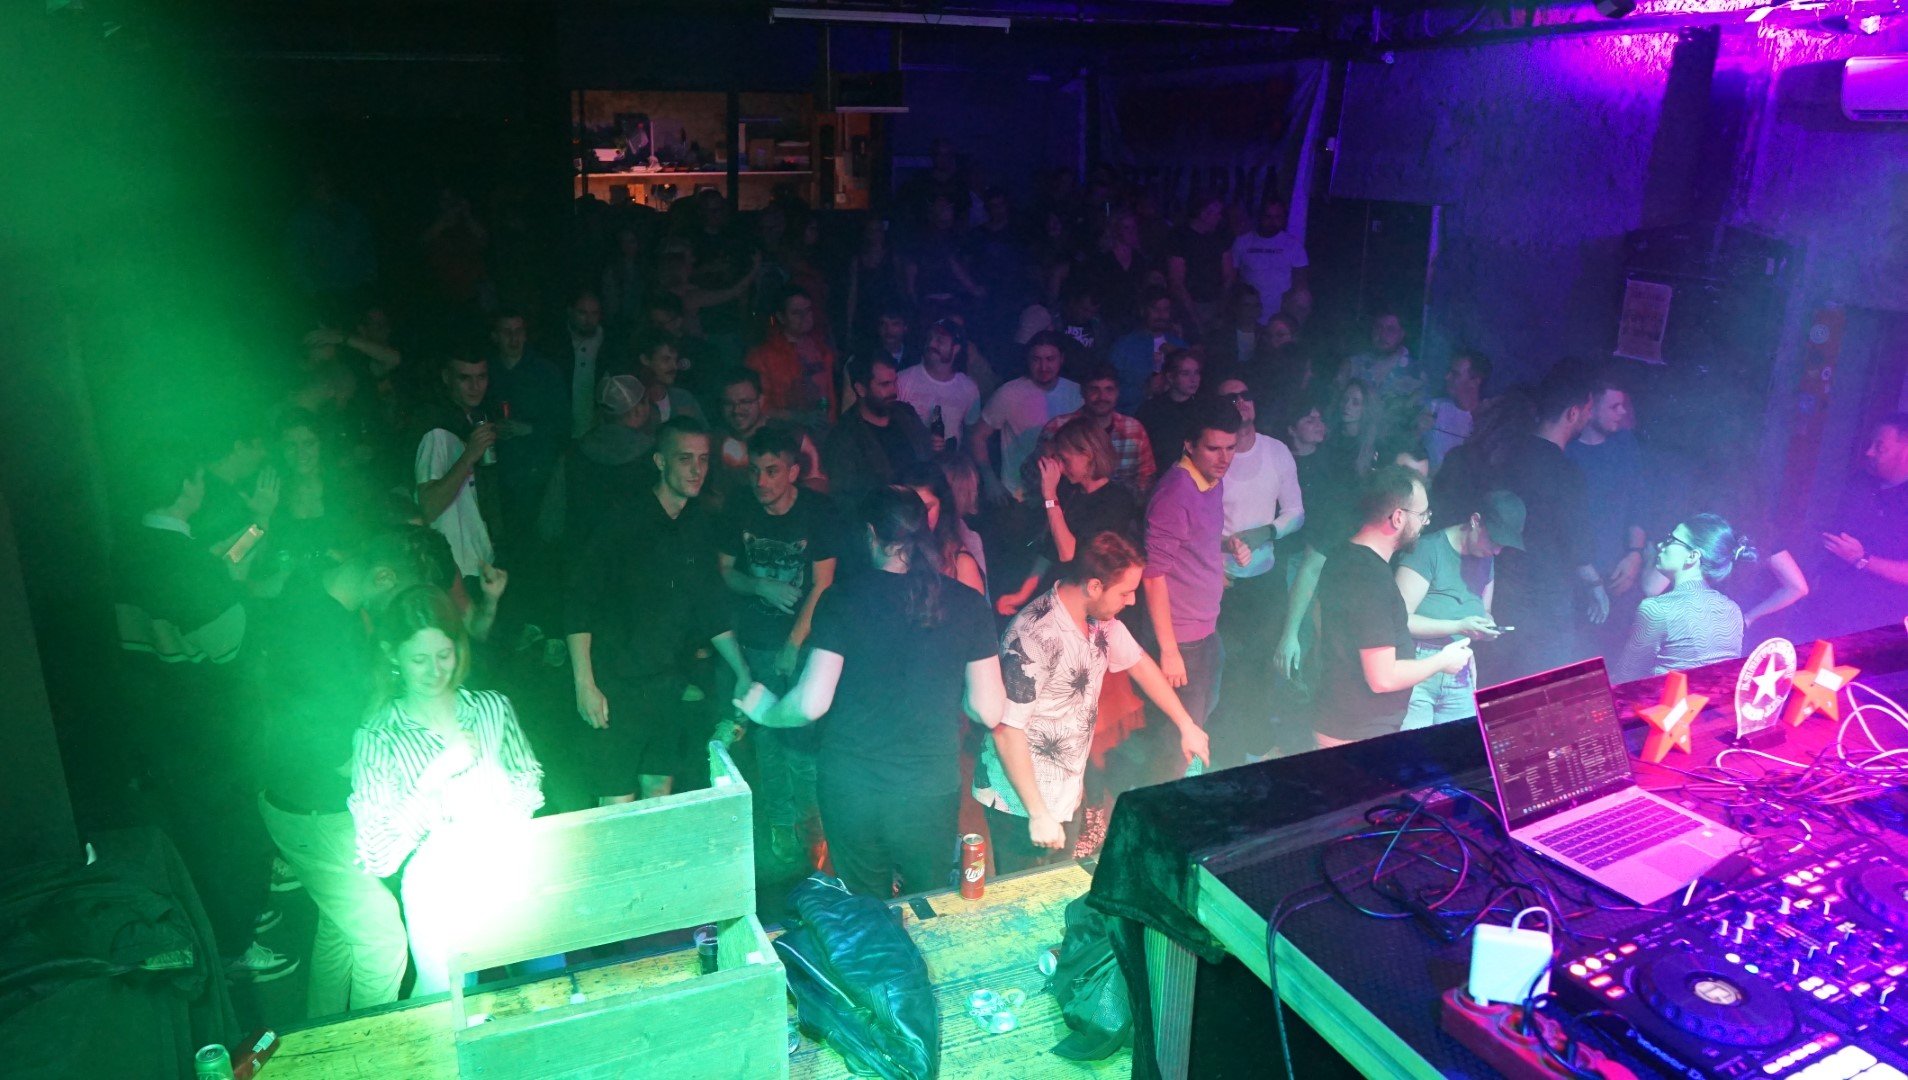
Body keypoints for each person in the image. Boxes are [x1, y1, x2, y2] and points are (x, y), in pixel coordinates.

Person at [754, 488, 1002, 898]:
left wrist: (767, 711)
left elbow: (811, 703)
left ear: (870, 534)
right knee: (927, 904)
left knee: (866, 909)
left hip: (852, 787)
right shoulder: (968, 603)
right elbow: (988, 710)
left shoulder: (842, 598)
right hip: (927, 789)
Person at [254, 528, 450, 1016]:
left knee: (340, 929)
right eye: (401, 598)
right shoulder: (324, 633)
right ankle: (368, 1049)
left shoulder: (312, 597)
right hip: (313, 812)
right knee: (382, 940)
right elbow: (335, 750)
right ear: (383, 577)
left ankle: (321, 1030)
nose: (400, 614)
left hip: (299, 801)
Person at [113, 444, 290, 982]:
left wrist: (257, 525)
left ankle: (233, 917)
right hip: (210, 728)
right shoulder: (183, 561)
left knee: (200, 835)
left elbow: (216, 570)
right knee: (230, 837)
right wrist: (258, 604)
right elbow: (230, 640)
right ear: (187, 485)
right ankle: (234, 944)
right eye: (198, 478)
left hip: (161, 720)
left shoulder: (133, 547)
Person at [349, 586, 545, 996]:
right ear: (392, 654)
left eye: (444, 655)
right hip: (438, 886)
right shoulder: (379, 736)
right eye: (419, 659)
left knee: (547, 988)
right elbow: (378, 855)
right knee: (447, 1005)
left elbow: (528, 777)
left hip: (508, 864)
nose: (435, 671)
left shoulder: (492, 708)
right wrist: (433, 777)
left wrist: (506, 819)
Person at [975, 533, 1211, 873]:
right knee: (1027, 896)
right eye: (1125, 592)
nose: (1132, 600)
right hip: (1018, 801)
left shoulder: (1101, 622)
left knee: (1061, 887)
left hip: (1063, 793)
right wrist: (1038, 813)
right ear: (1095, 586)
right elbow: (1006, 729)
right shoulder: (1034, 634)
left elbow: (1140, 663)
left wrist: (1186, 724)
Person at [565, 418, 755, 801]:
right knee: (617, 800)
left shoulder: (697, 525)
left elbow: (710, 606)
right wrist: (584, 683)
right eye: (685, 459)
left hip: (668, 683)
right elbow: (579, 601)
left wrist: (741, 670)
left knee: (660, 791)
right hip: (616, 684)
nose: (697, 469)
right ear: (660, 461)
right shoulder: (622, 520)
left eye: (703, 459)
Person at [716, 425, 842, 864]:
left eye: (771, 471)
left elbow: (823, 584)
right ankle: (780, 824)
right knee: (767, 744)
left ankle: (813, 828)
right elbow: (725, 571)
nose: (761, 481)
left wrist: (793, 643)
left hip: (806, 647)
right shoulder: (739, 507)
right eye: (755, 471)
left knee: (803, 744)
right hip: (755, 642)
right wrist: (760, 586)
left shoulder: (817, 511)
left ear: (792, 472)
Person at [1313, 466, 1473, 748]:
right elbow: (1382, 678)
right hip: (1358, 731)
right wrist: (1442, 661)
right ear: (1398, 517)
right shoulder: (1370, 578)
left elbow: (1320, 622)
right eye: (1422, 515)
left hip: (1341, 717)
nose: (1425, 523)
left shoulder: (1342, 555)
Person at [1206, 376, 1305, 762]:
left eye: (1245, 395)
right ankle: (1224, 753)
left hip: (1265, 581)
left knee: (1261, 665)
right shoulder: (1215, 454)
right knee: (1226, 670)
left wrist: (1268, 530)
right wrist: (1221, 552)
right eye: (1230, 398)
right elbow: (1196, 523)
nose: (1240, 402)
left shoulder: (1275, 451)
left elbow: (1296, 512)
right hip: (1222, 582)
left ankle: (1257, 746)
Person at [1489, 370, 1609, 680]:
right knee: (1539, 687)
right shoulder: (1566, 472)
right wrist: (1596, 586)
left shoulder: (1505, 454)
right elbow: (1576, 542)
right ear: (1573, 413)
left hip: (1499, 589)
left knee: (1495, 686)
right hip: (1546, 600)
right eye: (1588, 410)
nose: (1588, 417)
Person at [1143, 397, 1246, 752]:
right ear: (1189, 445)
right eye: (1213, 448)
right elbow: (1153, 575)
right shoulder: (1175, 494)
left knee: (1201, 717)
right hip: (1182, 635)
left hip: (1206, 625)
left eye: (1231, 448)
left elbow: (1194, 539)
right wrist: (1169, 650)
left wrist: (1226, 545)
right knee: (1180, 736)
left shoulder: (1212, 480)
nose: (1224, 458)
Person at [1396, 491, 1522, 729]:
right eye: (1494, 540)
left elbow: (1484, 610)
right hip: (1419, 664)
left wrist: (1486, 628)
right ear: (1475, 521)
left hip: (1459, 667)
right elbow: (1398, 620)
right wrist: (1458, 626)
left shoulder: (1486, 557)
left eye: (1502, 545)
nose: (1497, 551)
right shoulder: (1428, 549)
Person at [996, 417, 1142, 615]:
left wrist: (1050, 496)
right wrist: (1022, 594)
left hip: (1092, 603)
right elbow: (1050, 549)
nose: (1061, 468)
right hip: (1060, 591)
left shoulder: (1116, 500)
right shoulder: (1069, 490)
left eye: (1065, 460)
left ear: (1088, 455)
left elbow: (1068, 553)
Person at [1613, 515, 1755, 682]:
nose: (1660, 545)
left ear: (1692, 556)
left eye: (1670, 540)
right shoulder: (1733, 609)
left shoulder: (1657, 609)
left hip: (1666, 699)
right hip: (1712, 699)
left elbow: (1627, 679)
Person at [1816, 413, 1908, 638]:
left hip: (1878, 623)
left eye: (1880, 447)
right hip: (1829, 609)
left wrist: (1861, 559)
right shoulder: (1860, 483)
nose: (1869, 452)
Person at [484, 308, 566, 559]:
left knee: (537, 543)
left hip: (537, 474)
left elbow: (564, 424)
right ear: (495, 336)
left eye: (518, 331)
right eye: (506, 332)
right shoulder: (486, 372)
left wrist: (529, 429)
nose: (514, 338)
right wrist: (492, 427)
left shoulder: (546, 372)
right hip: (497, 474)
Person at [1568, 369, 1650, 612]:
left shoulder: (1625, 444)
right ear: (1591, 408)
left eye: (1623, 406)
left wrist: (1635, 555)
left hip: (1620, 574)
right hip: (1576, 577)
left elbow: (1639, 504)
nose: (1623, 412)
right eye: (1615, 407)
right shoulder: (1568, 452)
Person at [541, 374, 654, 548]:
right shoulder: (655, 455)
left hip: (582, 551)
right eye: (645, 402)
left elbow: (551, 517)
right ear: (637, 411)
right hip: (636, 552)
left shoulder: (573, 453)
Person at [413, 353, 499, 581]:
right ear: (446, 377)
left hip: (479, 559)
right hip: (453, 567)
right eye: (465, 378)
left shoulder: (471, 421)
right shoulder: (437, 432)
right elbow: (428, 505)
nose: (475, 386)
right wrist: (469, 455)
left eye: (481, 377)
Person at [972, 332, 1083, 503]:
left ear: (1061, 359)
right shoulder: (1009, 393)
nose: (1043, 366)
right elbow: (978, 436)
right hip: (1019, 494)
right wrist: (989, 479)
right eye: (1036, 359)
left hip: (1066, 493)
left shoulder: (1076, 393)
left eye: (1050, 359)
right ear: (1028, 360)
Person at [823, 355, 937, 505]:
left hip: (925, 506)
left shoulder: (905, 414)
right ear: (861, 389)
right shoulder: (844, 436)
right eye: (885, 384)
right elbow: (847, 497)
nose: (894, 390)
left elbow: (929, 461)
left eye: (894, 382)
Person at [1039, 361, 1156, 494]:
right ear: (1083, 392)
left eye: (1109, 389)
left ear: (1118, 392)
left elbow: (1146, 478)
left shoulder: (1134, 430)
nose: (1102, 397)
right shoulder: (1057, 428)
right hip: (1068, 504)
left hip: (1123, 505)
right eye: (1094, 389)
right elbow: (1037, 476)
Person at [713, 369, 827, 506]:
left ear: (761, 401)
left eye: (745, 402)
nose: (736, 410)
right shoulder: (715, 441)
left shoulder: (790, 435)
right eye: (728, 403)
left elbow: (818, 483)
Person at [747, 287, 839, 427]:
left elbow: (830, 393)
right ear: (781, 317)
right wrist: (798, 417)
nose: (804, 317)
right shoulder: (762, 357)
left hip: (824, 428)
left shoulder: (822, 348)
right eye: (796, 313)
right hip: (784, 432)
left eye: (808, 310)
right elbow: (758, 405)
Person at [898, 461, 987, 593]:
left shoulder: (961, 564)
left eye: (927, 508)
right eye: (913, 510)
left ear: (942, 506)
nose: (921, 517)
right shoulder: (894, 555)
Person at [895, 317, 982, 453]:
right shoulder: (903, 379)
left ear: (956, 349)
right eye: (930, 338)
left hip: (950, 462)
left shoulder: (969, 388)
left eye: (940, 341)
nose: (931, 344)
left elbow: (971, 434)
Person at [1227, 197, 1308, 325]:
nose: (1272, 221)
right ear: (1260, 216)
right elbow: (1231, 277)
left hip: (1281, 310)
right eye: (1268, 216)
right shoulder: (1242, 242)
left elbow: (1300, 280)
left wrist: (1289, 304)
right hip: (1249, 310)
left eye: (1277, 217)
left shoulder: (1293, 245)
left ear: (1283, 218)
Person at [549, 289, 616, 439]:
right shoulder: (555, 343)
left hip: (599, 432)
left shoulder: (610, 345)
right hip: (562, 430)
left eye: (594, 313)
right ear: (570, 311)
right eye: (582, 312)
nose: (588, 319)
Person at [1107, 289, 1187, 415]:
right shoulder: (1124, 346)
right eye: (1155, 309)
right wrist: (1145, 390)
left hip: (1173, 418)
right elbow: (1107, 389)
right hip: (1131, 417)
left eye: (1165, 310)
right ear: (1143, 311)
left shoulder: (1179, 346)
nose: (1161, 315)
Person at [1165, 194, 1233, 337]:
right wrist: (1194, 317)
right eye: (1216, 213)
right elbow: (1177, 282)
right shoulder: (1179, 236)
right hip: (1188, 304)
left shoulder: (1221, 236)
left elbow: (1228, 276)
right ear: (1203, 214)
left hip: (1215, 303)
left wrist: (1221, 309)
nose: (1220, 217)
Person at [1136, 347, 1207, 473]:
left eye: (1196, 373)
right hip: (1158, 479)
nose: (1193, 379)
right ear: (1170, 377)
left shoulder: (1205, 409)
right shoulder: (1151, 410)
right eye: (1185, 373)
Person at [1424, 350, 1489, 471]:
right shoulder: (1434, 407)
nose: (1447, 377)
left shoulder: (1487, 420)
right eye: (1448, 372)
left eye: (1455, 374)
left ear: (1475, 382)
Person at [631, 332, 704, 425]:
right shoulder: (630, 401)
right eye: (666, 360)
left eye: (675, 360)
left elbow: (704, 431)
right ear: (645, 360)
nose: (674, 367)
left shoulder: (683, 398)